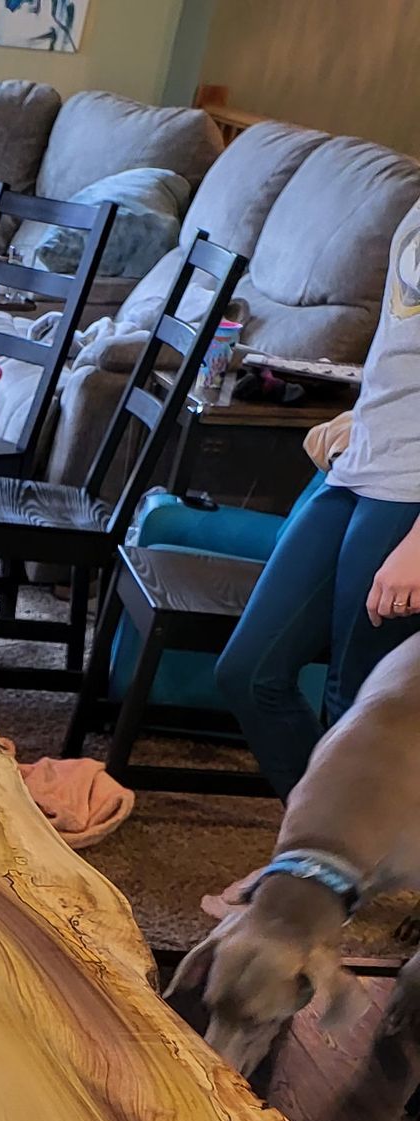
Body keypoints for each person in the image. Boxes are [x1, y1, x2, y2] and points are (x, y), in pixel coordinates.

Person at [216, 195, 420, 798]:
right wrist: (362, 419)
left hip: (409, 494)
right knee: (249, 673)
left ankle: (321, 855)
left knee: (352, 705)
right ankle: (320, 843)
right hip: (362, 464)